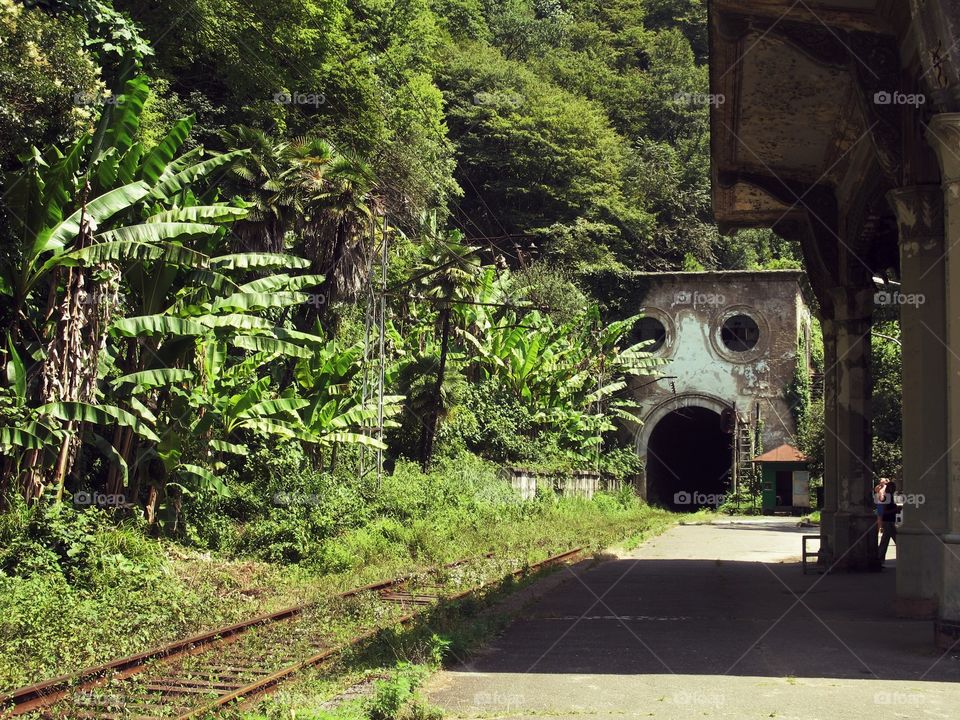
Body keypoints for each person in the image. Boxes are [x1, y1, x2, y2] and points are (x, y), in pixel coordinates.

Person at [877, 480, 899, 566]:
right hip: (888, 521)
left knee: (885, 541)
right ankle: (879, 558)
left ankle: (879, 558)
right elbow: (885, 511)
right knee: (896, 539)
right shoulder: (887, 497)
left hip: (889, 521)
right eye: (893, 487)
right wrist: (895, 509)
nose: (894, 488)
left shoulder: (890, 497)